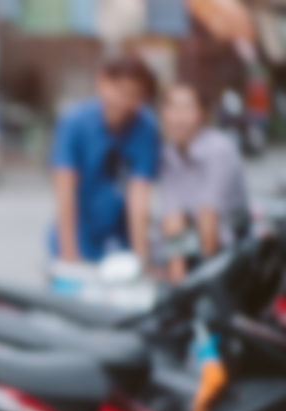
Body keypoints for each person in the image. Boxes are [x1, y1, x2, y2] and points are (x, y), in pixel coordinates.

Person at [50, 54, 160, 264]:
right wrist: (69, 257)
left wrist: (141, 260)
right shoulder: (74, 123)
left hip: (120, 243)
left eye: (136, 96)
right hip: (77, 236)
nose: (127, 102)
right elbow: (65, 194)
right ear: (103, 83)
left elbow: (139, 199)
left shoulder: (145, 127)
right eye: (122, 92)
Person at [158, 83, 248, 282]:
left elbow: (209, 216)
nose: (179, 117)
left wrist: (203, 284)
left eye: (187, 108)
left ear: (202, 113)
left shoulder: (219, 149)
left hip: (231, 244)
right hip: (194, 242)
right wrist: (177, 274)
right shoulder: (168, 154)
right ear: (164, 113)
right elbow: (173, 216)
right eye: (173, 108)